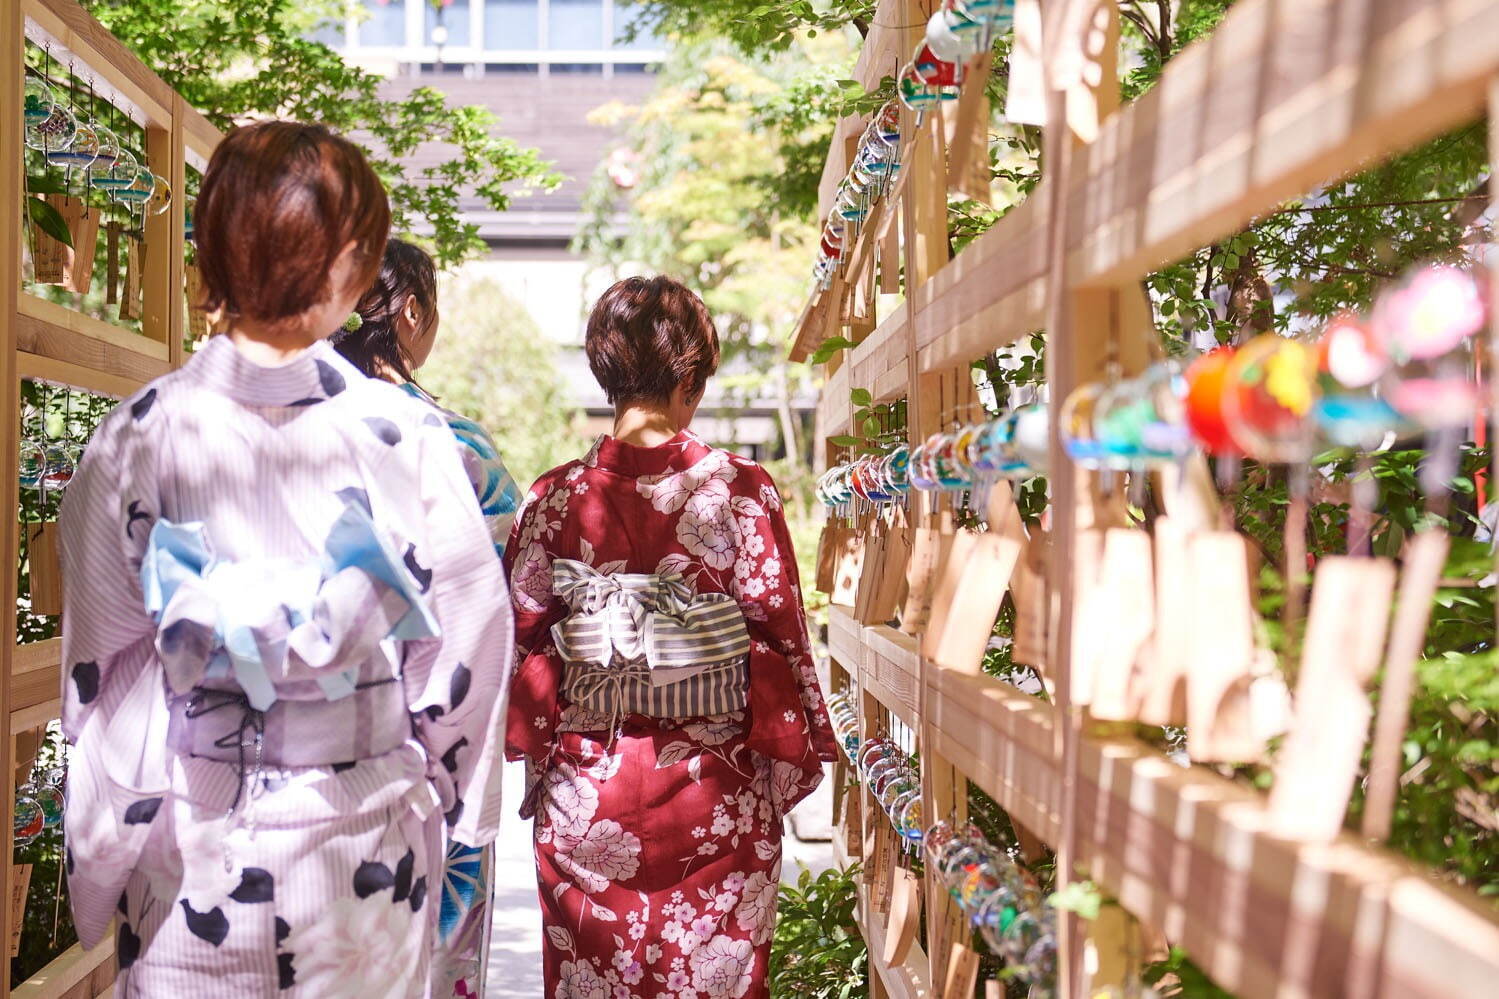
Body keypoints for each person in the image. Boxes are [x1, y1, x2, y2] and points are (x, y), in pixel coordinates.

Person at [57, 121, 513, 997]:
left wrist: (117, 807)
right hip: (362, 846)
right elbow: (467, 651)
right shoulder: (403, 436)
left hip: (191, 842)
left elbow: (97, 664)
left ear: (207, 256)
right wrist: (441, 793)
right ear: (349, 268)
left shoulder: (137, 437)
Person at [503, 275, 836, 999]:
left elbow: (516, 640)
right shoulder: (740, 491)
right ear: (691, 376)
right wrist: (796, 749)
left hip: (588, 793)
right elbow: (784, 636)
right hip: (717, 792)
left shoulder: (555, 496)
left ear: (605, 372)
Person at [334, 237, 522, 998]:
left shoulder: (259, 420)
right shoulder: (454, 444)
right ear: (411, 311)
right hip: (425, 755)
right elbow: (499, 606)